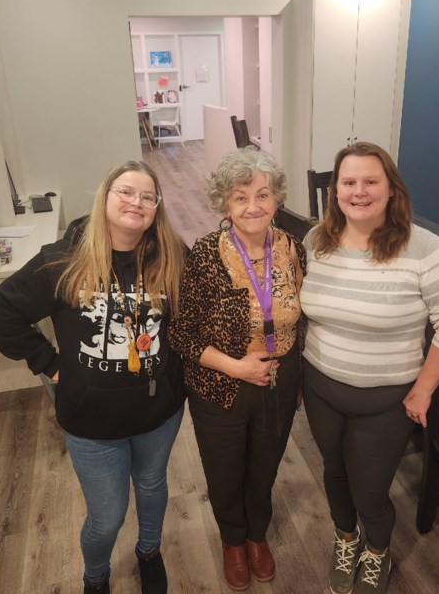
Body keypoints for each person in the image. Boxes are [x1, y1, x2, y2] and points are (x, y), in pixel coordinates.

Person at [0, 161, 188, 594]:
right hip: (92, 421)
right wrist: (50, 363)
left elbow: (189, 322)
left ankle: (149, 552)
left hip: (159, 411)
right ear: (105, 197)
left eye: (147, 196)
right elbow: (3, 311)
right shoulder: (63, 260)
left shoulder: (172, 255)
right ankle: (95, 576)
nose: (137, 202)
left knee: (153, 487)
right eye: (126, 191)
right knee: (107, 516)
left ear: (156, 208)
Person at [300, 142, 439, 594]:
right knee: (334, 471)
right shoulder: (315, 241)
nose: (359, 191)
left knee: (371, 491)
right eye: (349, 182)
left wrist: (423, 389)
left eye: (370, 182)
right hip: (320, 386)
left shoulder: (424, 248)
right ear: (335, 190)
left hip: (386, 398)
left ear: (391, 189)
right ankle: (346, 537)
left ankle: (377, 551)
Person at [170, 146, 306, 591]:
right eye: (241, 197)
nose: (253, 206)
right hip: (220, 384)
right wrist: (237, 367)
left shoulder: (293, 250)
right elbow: (182, 335)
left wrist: (298, 373)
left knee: (265, 466)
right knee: (225, 470)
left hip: (278, 381)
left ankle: (256, 535)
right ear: (225, 205)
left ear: (277, 200)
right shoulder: (207, 255)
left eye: (263, 195)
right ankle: (232, 540)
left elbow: (305, 318)